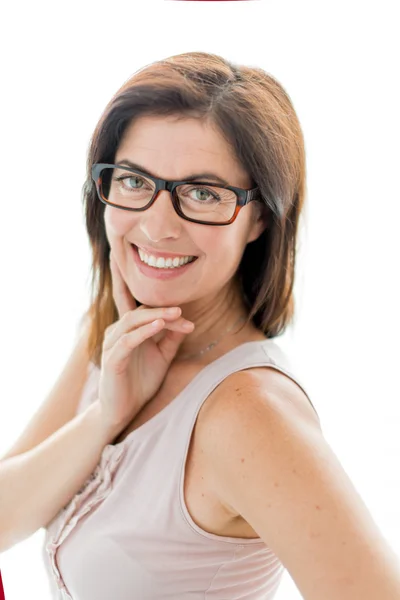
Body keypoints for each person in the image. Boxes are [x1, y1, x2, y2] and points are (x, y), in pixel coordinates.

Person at [1, 51, 399, 600]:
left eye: (204, 193)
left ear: (260, 218)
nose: (158, 225)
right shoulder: (115, 329)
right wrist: (105, 417)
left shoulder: (250, 411)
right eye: (135, 180)